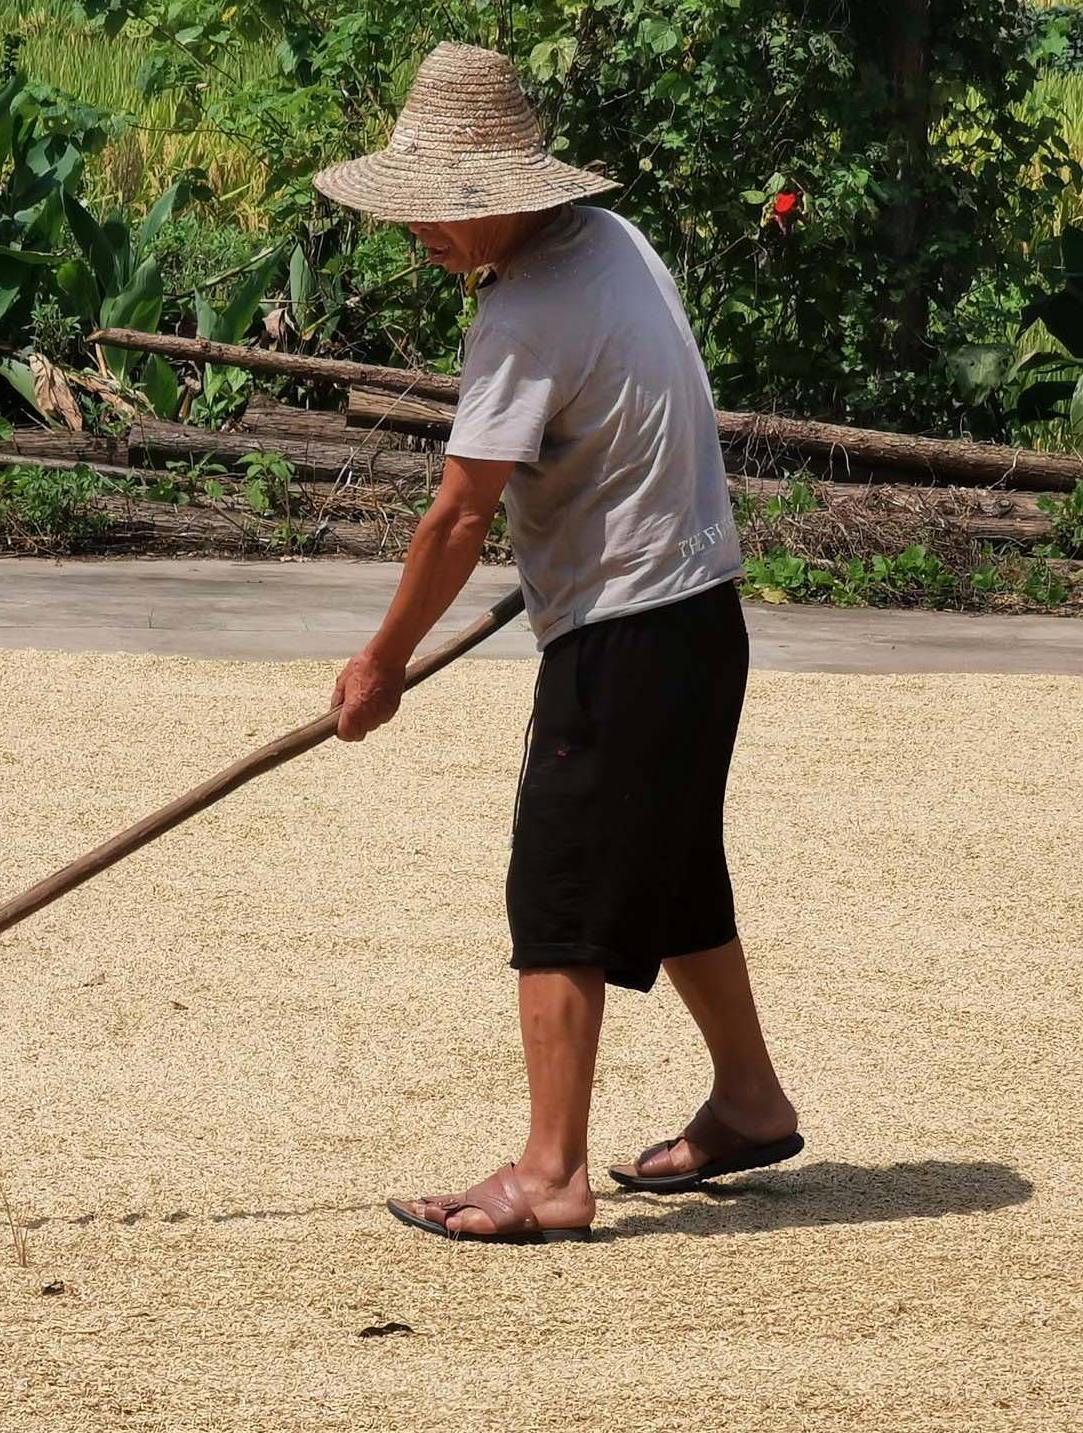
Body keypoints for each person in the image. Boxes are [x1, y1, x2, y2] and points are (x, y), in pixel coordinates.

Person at [315, 41, 804, 1243]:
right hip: (700, 616)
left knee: (561, 886)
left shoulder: (522, 314)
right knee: (671, 868)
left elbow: (457, 515)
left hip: (625, 634)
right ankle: (749, 1098)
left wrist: (380, 664)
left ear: (503, 196)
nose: (419, 232)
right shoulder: (611, 246)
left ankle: (547, 1175)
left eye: (440, 207)